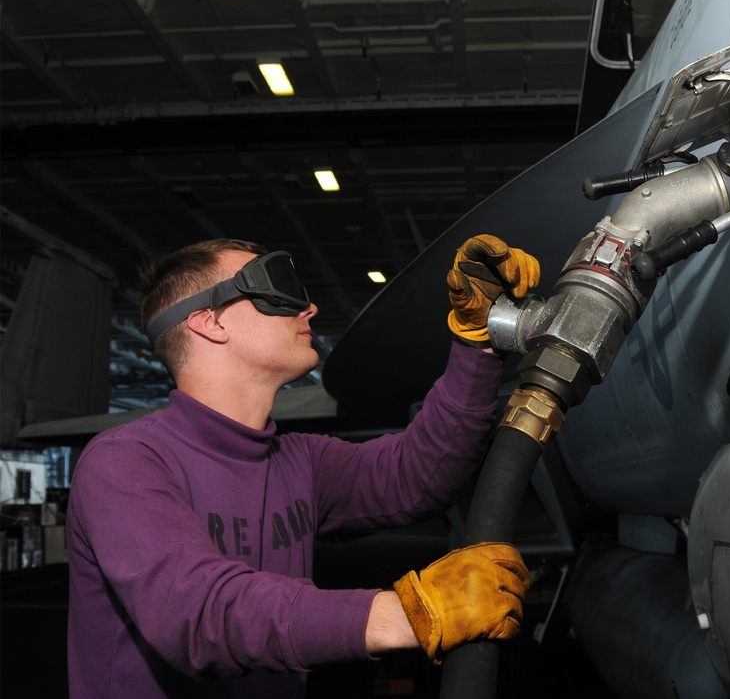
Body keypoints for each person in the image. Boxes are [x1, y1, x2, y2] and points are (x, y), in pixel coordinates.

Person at [66, 235, 540, 698]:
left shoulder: (300, 459)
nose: (309, 308)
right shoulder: (125, 462)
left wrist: (479, 342)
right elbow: (196, 615)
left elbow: (419, 475)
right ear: (209, 323)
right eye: (274, 286)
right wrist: (408, 615)